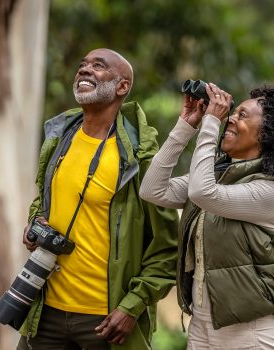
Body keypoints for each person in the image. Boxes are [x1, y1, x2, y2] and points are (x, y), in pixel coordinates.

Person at [17, 48, 179, 350]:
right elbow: (44, 199)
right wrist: (34, 223)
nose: (85, 70)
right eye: (82, 65)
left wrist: (132, 306)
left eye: (98, 66)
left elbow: (166, 249)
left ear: (122, 87)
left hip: (105, 321)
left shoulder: (140, 158)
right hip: (46, 310)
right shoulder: (59, 137)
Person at [139, 82, 274, 349]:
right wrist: (186, 125)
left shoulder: (273, 192)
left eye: (242, 115)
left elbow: (203, 194)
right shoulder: (220, 176)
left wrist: (210, 122)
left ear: (268, 134)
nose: (230, 118)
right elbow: (152, 189)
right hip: (203, 323)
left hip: (252, 330)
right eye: (233, 113)